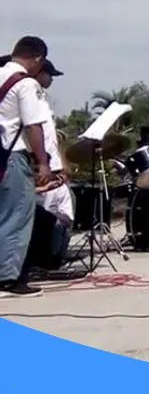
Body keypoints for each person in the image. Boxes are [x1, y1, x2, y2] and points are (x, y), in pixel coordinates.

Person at [0, 37, 54, 297]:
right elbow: (33, 125)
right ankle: (9, 279)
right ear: (37, 59)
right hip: (12, 156)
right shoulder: (25, 84)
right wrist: (43, 162)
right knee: (17, 216)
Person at [23, 60, 74, 276]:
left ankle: (53, 257)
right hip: (39, 168)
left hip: (53, 166)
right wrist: (39, 165)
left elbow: (54, 137)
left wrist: (62, 164)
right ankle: (32, 261)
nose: (51, 79)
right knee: (38, 213)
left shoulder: (43, 100)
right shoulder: (27, 96)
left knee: (63, 208)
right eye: (49, 74)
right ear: (39, 72)